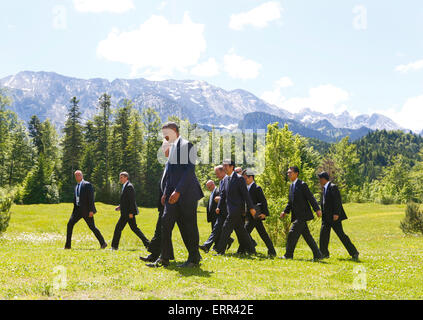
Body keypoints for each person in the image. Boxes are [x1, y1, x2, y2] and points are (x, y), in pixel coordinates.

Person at [148, 122, 204, 268]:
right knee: (165, 223)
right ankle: (164, 258)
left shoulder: (187, 145)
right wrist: (166, 193)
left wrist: (178, 191)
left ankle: (193, 259)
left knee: (188, 227)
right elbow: (170, 175)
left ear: (174, 131)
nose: (164, 137)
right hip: (171, 196)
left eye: (165, 133)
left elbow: (189, 171)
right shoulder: (172, 149)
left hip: (187, 194)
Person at [141, 141, 175, 263]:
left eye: (165, 147)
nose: (163, 150)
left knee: (164, 229)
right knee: (160, 229)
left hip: (172, 202)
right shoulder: (168, 163)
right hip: (164, 202)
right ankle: (156, 255)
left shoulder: (174, 162)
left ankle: (194, 256)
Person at [280, 166, 323, 261]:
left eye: (290, 172)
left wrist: (317, 209)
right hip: (296, 216)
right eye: (288, 172)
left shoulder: (302, 184)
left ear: (296, 173)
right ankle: (318, 255)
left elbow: (310, 197)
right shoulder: (291, 186)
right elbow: (290, 202)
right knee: (307, 236)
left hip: (302, 215)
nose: (288, 174)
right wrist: (285, 211)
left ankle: (288, 255)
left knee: (291, 233)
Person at [214, 160, 256, 256]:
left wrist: (251, 208)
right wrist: (219, 207)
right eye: (223, 165)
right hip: (230, 210)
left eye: (226, 166)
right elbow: (223, 195)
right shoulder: (225, 179)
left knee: (225, 228)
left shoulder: (239, 178)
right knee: (241, 231)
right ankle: (251, 250)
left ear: (232, 167)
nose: (224, 167)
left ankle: (220, 251)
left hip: (236, 209)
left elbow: (245, 194)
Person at [318, 172, 359, 261]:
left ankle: (354, 252)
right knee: (323, 235)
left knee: (341, 235)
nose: (319, 181)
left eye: (320, 179)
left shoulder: (333, 187)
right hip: (326, 218)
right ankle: (324, 254)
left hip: (334, 217)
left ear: (324, 179)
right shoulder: (324, 189)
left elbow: (337, 201)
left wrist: (336, 213)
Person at [65, 170, 107, 250]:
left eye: (78, 175)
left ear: (82, 176)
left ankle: (103, 243)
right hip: (77, 210)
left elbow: (91, 198)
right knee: (69, 224)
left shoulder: (87, 185)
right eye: (76, 176)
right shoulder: (76, 186)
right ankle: (67, 246)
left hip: (87, 211)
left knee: (92, 227)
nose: (77, 177)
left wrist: (91, 210)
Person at [239, 169, 276, 257]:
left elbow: (263, 201)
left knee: (244, 233)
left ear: (251, 177)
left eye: (245, 178)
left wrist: (265, 213)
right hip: (250, 216)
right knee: (262, 234)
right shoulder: (246, 188)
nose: (244, 180)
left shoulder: (257, 188)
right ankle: (272, 251)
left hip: (256, 215)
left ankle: (241, 250)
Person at [199, 166, 234, 253]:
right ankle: (210, 246)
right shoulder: (222, 182)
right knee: (217, 230)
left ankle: (250, 246)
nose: (217, 175)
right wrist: (218, 206)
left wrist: (220, 199)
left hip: (228, 212)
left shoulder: (228, 181)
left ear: (223, 172)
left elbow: (230, 196)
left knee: (240, 231)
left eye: (218, 173)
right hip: (221, 211)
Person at [111, 172, 150, 250]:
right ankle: (148, 244)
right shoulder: (125, 186)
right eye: (120, 177)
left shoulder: (129, 186)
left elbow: (132, 201)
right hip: (125, 213)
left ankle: (114, 246)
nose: (120, 179)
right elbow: (126, 200)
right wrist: (120, 206)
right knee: (133, 228)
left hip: (128, 213)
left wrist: (131, 213)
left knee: (120, 228)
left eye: (121, 177)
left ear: (126, 177)